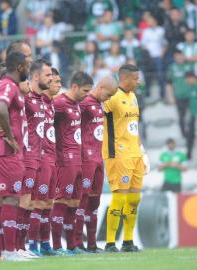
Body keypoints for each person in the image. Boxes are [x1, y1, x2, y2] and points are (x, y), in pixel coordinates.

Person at [0, 51, 31, 261]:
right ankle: (10, 251)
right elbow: (1, 108)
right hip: (5, 151)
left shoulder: (10, 87)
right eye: (28, 65)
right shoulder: (9, 85)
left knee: (7, 199)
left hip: (4, 151)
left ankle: (6, 251)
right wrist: (11, 137)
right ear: (20, 67)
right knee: (11, 198)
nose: (29, 69)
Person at [103, 64, 149, 252]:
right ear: (125, 78)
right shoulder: (112, 98)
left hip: (135, 154)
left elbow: (134, 127)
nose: (138, 82)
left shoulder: (133, 97)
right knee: (120, 198)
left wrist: (142, 151)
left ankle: (128, 241)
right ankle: (110, 242)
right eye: (136, 79)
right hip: (118, 154)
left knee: (134, 199)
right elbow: (96, 115)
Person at [50, 71, 93, 254]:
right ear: (74, 86)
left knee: (74, 204)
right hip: (64, 162)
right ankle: (56, 246)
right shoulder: (58, 103)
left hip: (78, 161)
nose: (87, 94)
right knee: (61, 202)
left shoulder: (77, 104)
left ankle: (72, 245)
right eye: (85, 90)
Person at [74, 76, 118, 252]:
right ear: (100, 88)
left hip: (98, 159)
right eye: (108, 95)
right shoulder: (83, 103)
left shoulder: (98, 104)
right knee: (82, 200)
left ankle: (92, 244)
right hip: (86, 159)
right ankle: (76, 243)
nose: (108, 99)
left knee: (94, 202)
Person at [27, 67, 61, 256]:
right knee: (37, 204)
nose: (56, 84)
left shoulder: (49, 103)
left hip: (51, 157)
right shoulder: (32, 99)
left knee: (49, 204)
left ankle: (45, 244)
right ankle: (32, 245)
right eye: (53, 80)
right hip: (38, 157)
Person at [20, 59, 52, 255]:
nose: (51, 78)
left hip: (41, 157)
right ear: (35, 76)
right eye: (48, 75)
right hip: (27, 158)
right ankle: (18, 246)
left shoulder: (43, 101)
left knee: (37, 203)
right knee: (25, 203)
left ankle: (32, 245)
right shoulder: (25, 98)